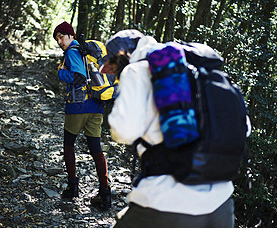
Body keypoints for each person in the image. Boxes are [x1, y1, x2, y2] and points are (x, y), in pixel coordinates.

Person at [100, 30, 235, 227]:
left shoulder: (136, 70)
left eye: (111, 62)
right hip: (222, 202)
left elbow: (123, 132)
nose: (107, 69)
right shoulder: (198, 72)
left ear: (122, 56)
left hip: (168, 200)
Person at [53, 21, 111, 210]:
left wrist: (62, 73)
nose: (60, 41)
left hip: (78, 107)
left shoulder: (72, 52)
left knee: (68, 145)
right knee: (95, 149)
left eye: (62, 37)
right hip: (96, 106)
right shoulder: (87, 52)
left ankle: (72, 187)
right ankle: (105, 193)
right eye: (57, 39)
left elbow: (78, 77)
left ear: (71, 36)